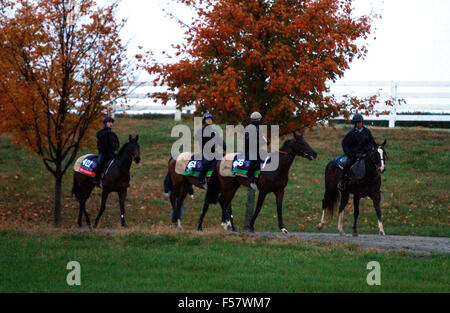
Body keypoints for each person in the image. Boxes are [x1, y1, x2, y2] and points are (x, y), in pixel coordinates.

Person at [338, 113, 377, 191]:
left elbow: (372, 142)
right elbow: (344, 144)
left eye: (360, 122)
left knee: (374, 164)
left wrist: (368, 148)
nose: (359, 124)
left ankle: (375, 183)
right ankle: (341, 180)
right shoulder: (351, 133)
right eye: (357, 122)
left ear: (362, 122)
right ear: (355, 123)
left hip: (365, 154)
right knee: (348, 164)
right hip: (354, 155)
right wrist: (350, 154)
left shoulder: (367, 131)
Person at [195, 113, 226, 189]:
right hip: (205, 152)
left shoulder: (214, 131)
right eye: (208, 119)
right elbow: (196, 137)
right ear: (204, 121)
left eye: (210, 119)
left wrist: (227, 149)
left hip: (214, 152)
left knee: (225, 158)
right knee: (207, 162)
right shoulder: (201, 130)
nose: (209, 120)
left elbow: (221, 141)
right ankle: (201, 179)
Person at [93, 116, 120, 188]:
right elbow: (100, 144)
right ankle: (97, 179)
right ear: (105, 123)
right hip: (103, 153)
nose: (111, 124)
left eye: (112, 122)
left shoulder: (113, 134)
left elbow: (117, 144)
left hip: (111, 154)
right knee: (100, 163)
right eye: (109, 122)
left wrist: (115, 146)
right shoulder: (101, 133)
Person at [244, 112, 267, 191]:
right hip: (248, 150)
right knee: (255, 159)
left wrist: (267, 141)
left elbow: (263, 138)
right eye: (259, 120)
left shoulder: (258, 129)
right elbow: (248, 142)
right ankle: (250, 175)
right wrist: (261, 142)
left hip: (256, 149)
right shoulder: (249, 128)